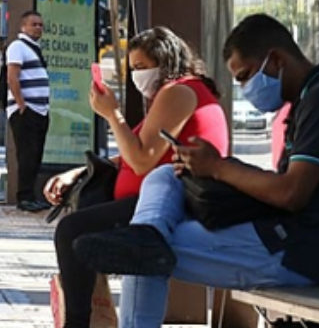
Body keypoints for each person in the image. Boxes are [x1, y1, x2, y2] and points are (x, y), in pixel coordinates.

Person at [75, 14, 319, 327]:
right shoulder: (313, 98)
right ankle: (148, 231)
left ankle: (146, 237)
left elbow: (292, 193)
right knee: (166, 177)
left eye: (247, 76)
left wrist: (219, 167)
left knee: (140, 255)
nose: (246, 88)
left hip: (297, 253)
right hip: (284, 239)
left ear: (275, 59)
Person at [46, 27, 229, 328]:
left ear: (166, 62)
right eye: (132, 69)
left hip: (170, 201)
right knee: (78, 225)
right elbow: (135, 152)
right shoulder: (171, 94)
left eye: (142, 68)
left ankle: (77, 322)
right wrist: (77, 172)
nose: (137, 76)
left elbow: (142, 161)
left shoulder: (179, 92)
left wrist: (112, 115)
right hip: (149, 197)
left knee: (71, 231)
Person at [6, 11, 51, 212]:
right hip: (27, 111)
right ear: (23, 27)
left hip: (40, 110)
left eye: (41, 25)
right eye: (34, 24)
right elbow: (12, 77)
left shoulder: (35, 49)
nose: (38, 28)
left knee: (35, 155)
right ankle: (24, 197)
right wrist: (21, 104)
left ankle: (31, 195)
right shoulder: (18, 47)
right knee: (27, 155)